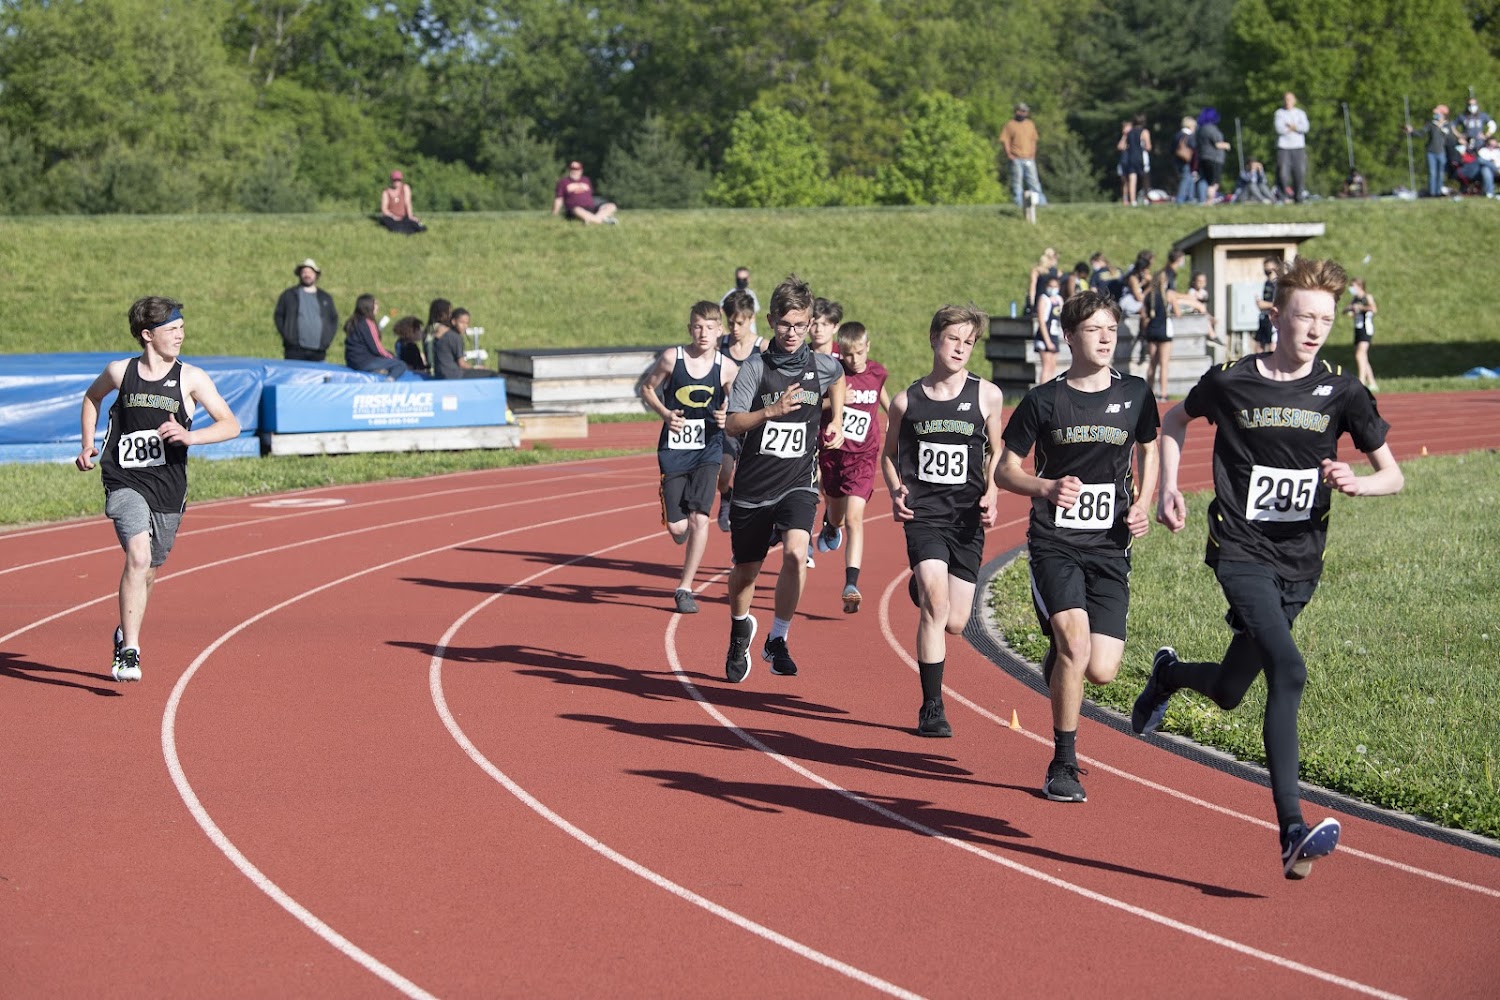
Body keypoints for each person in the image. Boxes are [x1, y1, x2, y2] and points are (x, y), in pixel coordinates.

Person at [1134, 255, 1404, 880]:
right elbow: (1174, 418)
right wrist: (1169, 486)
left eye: (1326, 321)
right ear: (1276, 315)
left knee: (1231, 691)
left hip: (1300, 562)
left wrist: (1359, 482)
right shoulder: (1233, 381)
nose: (1315, 330)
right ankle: (1291, 829)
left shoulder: (1342, 391)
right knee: (1289, 668)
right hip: (1239, 549)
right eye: (1305, 317)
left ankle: (1169, 675)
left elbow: (1393, 474)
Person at [995, 291, 1159, 801]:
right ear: (1069, 336)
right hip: (1056, 542)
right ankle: (1063, 763)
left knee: (1102, 670)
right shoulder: (1044, 400)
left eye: (1112, 328)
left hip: (1110, 545)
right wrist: (1045, 487)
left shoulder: (1135, 393)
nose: (1106, 338)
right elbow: (1005, 470)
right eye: (1093, 329)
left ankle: (1063, 658)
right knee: (1075, 645)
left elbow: (1149, 448)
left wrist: (1143, 503)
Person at [75, 297, 242, 683]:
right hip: (123, 480)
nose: (180, 336)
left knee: (149, 568)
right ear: (147, 335)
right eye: (172, 330)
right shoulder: (120, 372)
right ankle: (130, 651)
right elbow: (92, 397)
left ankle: (124, 632)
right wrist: (86, 444)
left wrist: (191, 436)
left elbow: (230, 424)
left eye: (182, 328)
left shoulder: (192, 378)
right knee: (138, 555)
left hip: (168, 487)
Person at [880, 304, 1004, 737]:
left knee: (955, 621)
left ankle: (921, 586)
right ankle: (932, 707)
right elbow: (889, 455)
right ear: (934, 338)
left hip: (967, 519)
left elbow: (997, 452)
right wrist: (896, 489)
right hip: (925, 516)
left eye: (969, 342)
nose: (961, 348)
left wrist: (992, 490)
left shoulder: (987, 395)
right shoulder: (906, 401)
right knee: (936, 603)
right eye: (954, 338)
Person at [722, 275, 845, 683]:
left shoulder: (821, 365)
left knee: (796, 553)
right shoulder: (755, 368)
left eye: (800, 325)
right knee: (746, 572)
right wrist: (769, 412)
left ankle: (778, 638)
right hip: (754, 488)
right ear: (772, 321)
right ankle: (740, 630)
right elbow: (732, 424)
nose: (792, 333)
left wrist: (837, 420)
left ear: (810, 323)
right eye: (785, 325)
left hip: (798, 481)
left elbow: (838, 377)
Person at [640, 301, 739, 614]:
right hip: (674, 448)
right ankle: (674, 518)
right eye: (698, 327)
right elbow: (647, 389)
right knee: (678, 527)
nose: (703, 333)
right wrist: (666, 414)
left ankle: (685, 587)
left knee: (699, 518)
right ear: (689, 329)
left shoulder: (726, 366)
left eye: (709, 328)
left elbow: (739, 401)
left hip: (709, 447)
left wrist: (727, 415)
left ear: (719, 330)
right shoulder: (673, 358)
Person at [813, 322, 890, 614]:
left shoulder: (878, 372)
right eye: (848, 354)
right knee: (838, 518)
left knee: (855, 518)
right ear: (840, 352)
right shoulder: (833, 374)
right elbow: (811, 404)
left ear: (868, 347)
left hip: (863, 458)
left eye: (859, 353)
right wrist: (836, 401)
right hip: (833, 455)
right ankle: (831, 524)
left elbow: (882, 394)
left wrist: (895, 417)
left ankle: (851, 585)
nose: (854, 359)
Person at [715, 289, 765, 531]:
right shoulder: (719, 345)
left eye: (740, 323)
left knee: (755, 478)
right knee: (723, 473)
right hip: (728, 422)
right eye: (730, 322)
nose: (734, 328)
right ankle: (726, 495)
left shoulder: (763, 347)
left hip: (756, 422)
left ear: (751, 319)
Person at [273, 258, 339, 362]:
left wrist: (326, 340)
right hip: (294, 350)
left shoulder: (325, 298)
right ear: (300, 274)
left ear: (316, 275)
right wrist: (288, 336)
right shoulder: (289, 295)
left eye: (310, 272)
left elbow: (333, 319)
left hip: (318, 351)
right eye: (304, 272)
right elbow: (279, 316)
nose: (307, 275)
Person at [425, 299, 497, 379]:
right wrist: (476, 368)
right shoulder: (454, 337)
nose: (465, 326)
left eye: (467, 323)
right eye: (462, 323)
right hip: (453, 375)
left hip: (440, 373)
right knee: (492, 374)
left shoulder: (437, 333)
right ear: (453, 321)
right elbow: (461, 364)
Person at [343, 294, 409, 380]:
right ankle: (389, 380)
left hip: (351, 360)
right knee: (400, 364)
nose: (377, 307)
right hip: (363, 362)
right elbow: (376, 348)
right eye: (375, 304)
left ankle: (377, 370)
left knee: (388, 355)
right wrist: (392, 357)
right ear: (369, 306)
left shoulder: (354, 321)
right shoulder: (368, 323)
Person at [1141, 261, 1179, 400]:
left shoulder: (1149, 295)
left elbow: (1143, 315)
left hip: (1152, 331)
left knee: (1152, 364)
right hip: (1164, 331)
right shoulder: (1169, 295)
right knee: (1164, 364)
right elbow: (1178, 312)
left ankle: (1149, 392)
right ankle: (1163, 393)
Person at [1000, 102, 1043, 209]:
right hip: (1016, 158)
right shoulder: (1010, 125)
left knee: (1034, 182)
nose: (1023, 113)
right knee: (1017, 182)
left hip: (1029, 158)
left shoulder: (1030, 124)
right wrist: (1009, 154)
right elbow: (1005, 140)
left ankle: (1041, 202)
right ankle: (1019, 203)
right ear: (1016, 112)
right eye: (1021, 111)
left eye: (1025, 111)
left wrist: (1033, 154)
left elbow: (1034, 140)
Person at [1405, 105, 1453, 197]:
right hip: (1431, 152)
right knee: (1432, 173)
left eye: (1438, 113)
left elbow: (1450, 138)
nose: (1435, 115)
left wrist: (1441, 128)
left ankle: (1438, 192)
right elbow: (1421, 133)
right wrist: (1412, 131)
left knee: (1440, 173)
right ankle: (1432, 193)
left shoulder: (1447, 125)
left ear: (1443, 114)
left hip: (1442, 152)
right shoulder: (1431, 124)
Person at [552, 160, 618, 224]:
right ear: (570, 170)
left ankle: (594, 219)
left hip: (591, 207)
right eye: (572, 169)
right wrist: (555, 213)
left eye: (577, 169)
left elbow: (590, 195)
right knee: (577, 210)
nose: (574, 171)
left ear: (581, 170)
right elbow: (559, 199)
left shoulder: (586, 180)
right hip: (575, 209)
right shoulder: (563, 182)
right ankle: (602, 220)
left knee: (611, 206)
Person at [1274, 92, 1310, 202]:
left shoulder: (1300, 113)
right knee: (1282, 173)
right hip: (1283, 147)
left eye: (1289, 99)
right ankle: (1282, 197)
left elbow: (1305, 128)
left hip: (1298, 147)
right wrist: (1295, 127)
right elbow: (1279, 129)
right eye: (1285, 99)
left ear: (1294, 101)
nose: (1287, 102)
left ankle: (1298, 197)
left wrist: (1291, 127)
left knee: (1299, 173)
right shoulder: (1279, 113)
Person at [1345, 277, 1378, 391]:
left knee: (1359, 354)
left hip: (1366, 329)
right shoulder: (1355, 299)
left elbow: (1373, 308)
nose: (1351, 288)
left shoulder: (1367, 297)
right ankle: (1372, 382)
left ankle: (1361, 381)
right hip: (1358, 329)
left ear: (1359, 286)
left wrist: (1361, 307)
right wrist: (1351, 309)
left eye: (1353, 286)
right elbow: (1347, 310)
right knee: (1363, 357)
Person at [1195, 108, 1231, 204]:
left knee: (1207, 181)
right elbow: (1217, 144)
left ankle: (1204, 200)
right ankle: (1209, 201)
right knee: (1214, 183)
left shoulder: (1200, 129)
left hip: (1202, 157)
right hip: (1214, 158)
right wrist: (1227, 145)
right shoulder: (1211, 129)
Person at [1034, 274, 1063, 385]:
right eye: (1051, 286)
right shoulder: (1044, 299)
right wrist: (1048, 342)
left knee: (1052, 366)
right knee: (1046, 366)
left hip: (1054, 335)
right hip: (1044, 336)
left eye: (1055, 286)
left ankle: (1050, 391)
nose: (1053, 289)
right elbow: (1041, 322)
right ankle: (1042, 390)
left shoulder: (1059, 300)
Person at [1117, 115, 1151, 206]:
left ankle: (1133, 201)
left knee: (1132, 178)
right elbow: (1148, 147)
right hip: (1141, 157)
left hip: (1131, 157)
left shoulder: (1129, 133)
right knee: (1144, 178)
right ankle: (1146, 199)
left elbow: (1122, 146)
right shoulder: (1144, 132)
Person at [722, 267, 760, 332]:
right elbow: (720, 310)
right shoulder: (731, 294)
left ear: (748, 279)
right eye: (739, 279)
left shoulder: (751, 293)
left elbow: (754, 311)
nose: (741, 282)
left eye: (744, 279)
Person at [1255, 256, 1280, 352]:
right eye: (1265, 268)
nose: (1266, 270)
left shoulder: (1278, 284)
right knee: (1258, 346)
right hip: (1264, 317)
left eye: (1268, 268)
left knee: (1272, 347)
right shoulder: (1267, 283)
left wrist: (1264, 304)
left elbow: (1280, 304)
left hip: (1273, 319)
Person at [1172, 116, 1199, 204]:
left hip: (1177, 160)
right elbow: (1194, 149)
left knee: (1188, 178)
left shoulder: (1177, 135)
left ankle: (1190, 198)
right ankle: (1181, 199)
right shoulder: (1190, 136)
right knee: (1186, 179)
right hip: (1186, 161)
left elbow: (1172, 149)